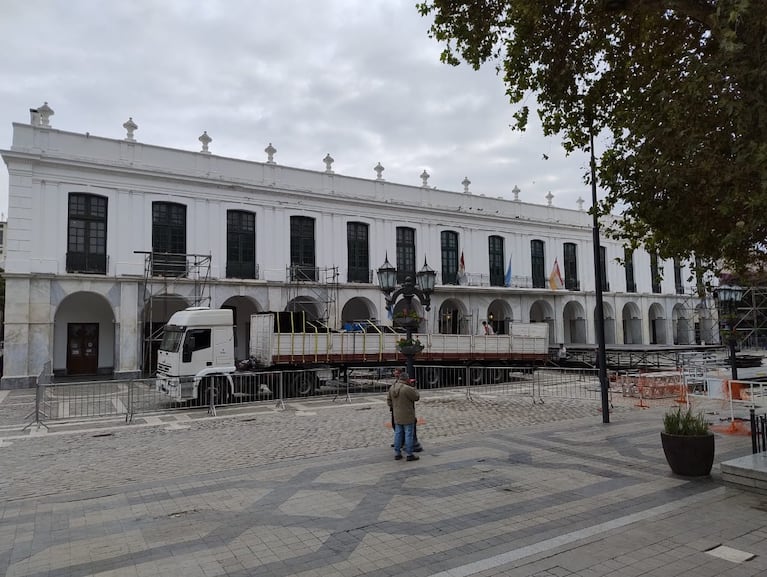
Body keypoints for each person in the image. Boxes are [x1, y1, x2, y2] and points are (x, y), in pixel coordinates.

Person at [387, 374, 420, 461]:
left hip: (397, 415)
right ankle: (409, 454)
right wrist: (413, 387)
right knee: (408, 434)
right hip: (407, 415)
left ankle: (397, 453)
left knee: (398, 433)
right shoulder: (407, 388)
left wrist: (394, 408)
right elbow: (416, 397)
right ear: (406, 379)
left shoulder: (392, 388)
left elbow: (389, 401)